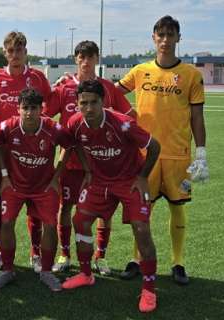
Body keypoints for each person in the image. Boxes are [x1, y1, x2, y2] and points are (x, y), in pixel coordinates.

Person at [117, 15, 209, 285]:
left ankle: (178, 263)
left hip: (178, 155)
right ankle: (136, 259)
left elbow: (197, 118)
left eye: (171, 35)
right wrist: (76, 82)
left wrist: (201, 152)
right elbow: (112, 93)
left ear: (178, 38)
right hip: (145, 155)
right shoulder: (139, 71)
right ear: (153, 37)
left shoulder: (191, 74)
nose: (166, 40)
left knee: (177, 208)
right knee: (142, 209)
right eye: (161, 35)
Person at [62, 80, 161, 313]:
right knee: (80, 221)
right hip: (99, 181)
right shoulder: (75, 124)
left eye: (93, 102)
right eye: (83, 103)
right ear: (77, 104)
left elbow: (154, 146)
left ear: (103, 102)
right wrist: (87, 169)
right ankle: (86, 274)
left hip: (129, 181)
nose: (88, 108)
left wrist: (142, 177)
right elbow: (73, 145)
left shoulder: (123, 124)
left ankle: (149, 289)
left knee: (142, 230)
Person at [45, 40, 135, 274]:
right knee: (66, 208)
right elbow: (44, 114)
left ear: (97, 59)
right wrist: (52, 87)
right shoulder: (65, 87)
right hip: (70, 161)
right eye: (81, 57)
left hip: (101, 165)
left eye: (90, 57)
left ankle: (100, 257)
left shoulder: (107, 87)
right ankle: (65, 254)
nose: (85, 61)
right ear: (75, 59)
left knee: (103, 212)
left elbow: (130, 116)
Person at [0, 88, 71, 292]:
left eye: (34, 108)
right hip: (15, 185)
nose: (29, 112)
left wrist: (56, 177)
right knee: (6, 223)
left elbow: (69, 146)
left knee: (50, 225)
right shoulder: (6, 127)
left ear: (41, 109)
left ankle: (46, 271)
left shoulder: (53, 128)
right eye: (25, 108)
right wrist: (5, 176)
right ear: (18, 109)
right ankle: (8, 269)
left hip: (44, 187)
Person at [0, 31, 52, 272]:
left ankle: (36, 254)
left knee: (34, 204)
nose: (15, 55)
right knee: (2, 201)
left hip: (33, 152)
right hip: (3, 152)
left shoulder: (37, 78)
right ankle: (2, 253)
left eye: (19, 50)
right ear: (5, 52)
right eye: (11, 50)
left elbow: (49, 105)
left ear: (26, 52)